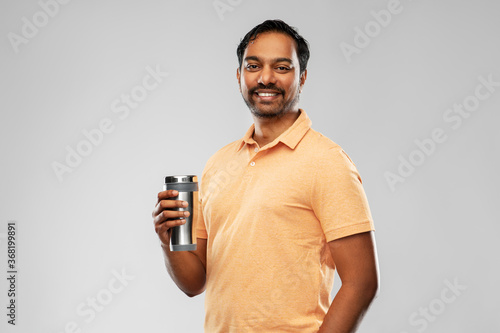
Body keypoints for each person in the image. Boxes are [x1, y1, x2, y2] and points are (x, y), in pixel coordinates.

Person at [153, 19, 379, 332]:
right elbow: (194, 282)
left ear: (302, 78)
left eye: (282, 67)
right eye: (254, 65)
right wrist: (168, 242)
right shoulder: (218, 163)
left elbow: (361, 282)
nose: (266, 78)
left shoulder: (328, 162)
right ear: (239, 76)